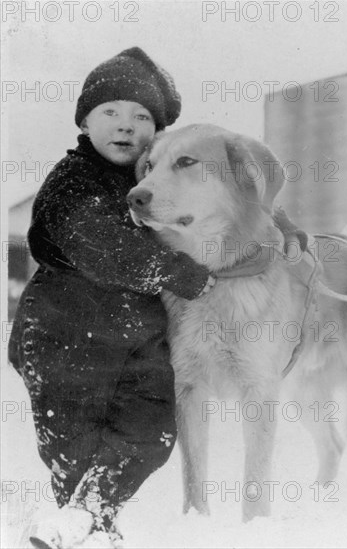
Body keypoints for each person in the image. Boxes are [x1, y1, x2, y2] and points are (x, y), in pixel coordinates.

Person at [8, 47, 306, 549]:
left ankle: (88, 519)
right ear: (83, 122)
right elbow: (104, 246)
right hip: (64, 339)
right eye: (110, 113)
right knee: (76, 444)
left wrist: (284, 226)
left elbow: (237, 198)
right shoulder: (73, 183)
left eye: (141, 116)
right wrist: (176, 271)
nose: (125, 127)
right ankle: (77, 525)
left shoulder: (144, 175)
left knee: (151, 430)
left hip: (129, 342)